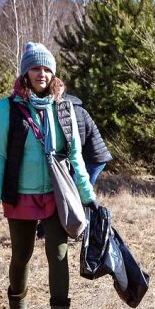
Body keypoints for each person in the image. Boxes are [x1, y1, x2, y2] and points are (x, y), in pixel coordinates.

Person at [0, 42, 97, 309]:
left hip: (56, 196)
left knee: (58, 254)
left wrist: (88, 196)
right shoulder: (7, 108)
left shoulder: (65, 107)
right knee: (22, 254)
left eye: (47, 68)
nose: (41, 73)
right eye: (35, 68)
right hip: (19, 194)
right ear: (25, 72)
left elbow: (75, 157)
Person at [36, 97, 111, 239]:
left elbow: (77, 143)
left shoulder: (74, 111)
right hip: (88, 158)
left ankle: (88, 229)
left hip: (94, 159)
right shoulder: (72, 109)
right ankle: (57, 226)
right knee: (71, 191)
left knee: (77, 193)